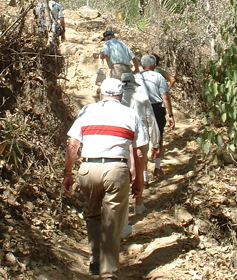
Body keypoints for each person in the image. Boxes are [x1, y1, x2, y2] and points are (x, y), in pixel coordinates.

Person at [62, 78, 148, 279]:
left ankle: (95, 259)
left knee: (93, 214)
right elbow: (140, 152)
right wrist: (139, 180)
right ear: (121, 96)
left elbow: (73, 144)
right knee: (112, 220)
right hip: (116, 169)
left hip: (88, 167)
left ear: (101, 95)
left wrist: (68, 173)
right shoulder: (130, 113)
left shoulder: (87, 111)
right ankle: (108, 272)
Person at [121, 72, 160, 215]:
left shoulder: (118, 99)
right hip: (141, 135)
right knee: (140, 166)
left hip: (122, 135)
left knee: (123, 168)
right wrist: (155, 143)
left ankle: (123, 205)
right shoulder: (142, 98)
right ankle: (138, 203)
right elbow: (152, 121)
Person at [135, 54, 175, 177]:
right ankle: (157, 167)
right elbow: (165, 96)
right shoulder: (158, 76)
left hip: (140, 108)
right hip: (156, 108)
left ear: (142, 65)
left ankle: (145, 175)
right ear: (155, 65)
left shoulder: (135, 77)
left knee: (143, 140)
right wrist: (170, 114)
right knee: (159, 137)